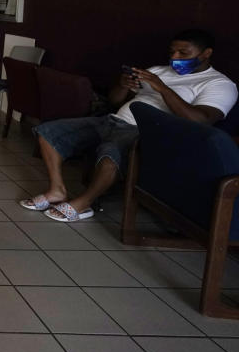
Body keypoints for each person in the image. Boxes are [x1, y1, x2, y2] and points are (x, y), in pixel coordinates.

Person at [20, 29, 237, 222]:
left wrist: (161, 88)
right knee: (49, 132)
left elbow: (201, 120)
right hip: (112, 120)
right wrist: (122, 86)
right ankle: (57, 190)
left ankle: (84, 203)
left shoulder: (219, 84)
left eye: (183, 53)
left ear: (206, 53)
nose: (174, 58)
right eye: (172, 52)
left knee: (111, 153)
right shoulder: (158, 70)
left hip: (146, 132)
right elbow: (114, 100)